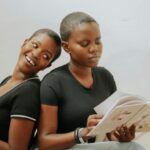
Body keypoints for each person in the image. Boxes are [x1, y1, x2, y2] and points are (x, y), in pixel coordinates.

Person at [38, 12, 135, 150]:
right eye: (85, 43)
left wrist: (121, 137)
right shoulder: (53, 82)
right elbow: (44, 142)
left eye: (98, 41)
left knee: (130, 146)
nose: (94, 49)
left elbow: (109, 135)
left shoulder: (105, 77)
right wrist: (81, 133)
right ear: (66, 47)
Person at [0, 28, 61, 150]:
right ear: (24, 43)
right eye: (35, 45)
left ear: (47, 65)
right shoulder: (8, 80)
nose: (36, 54)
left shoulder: (28, 92)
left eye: (45, 56)